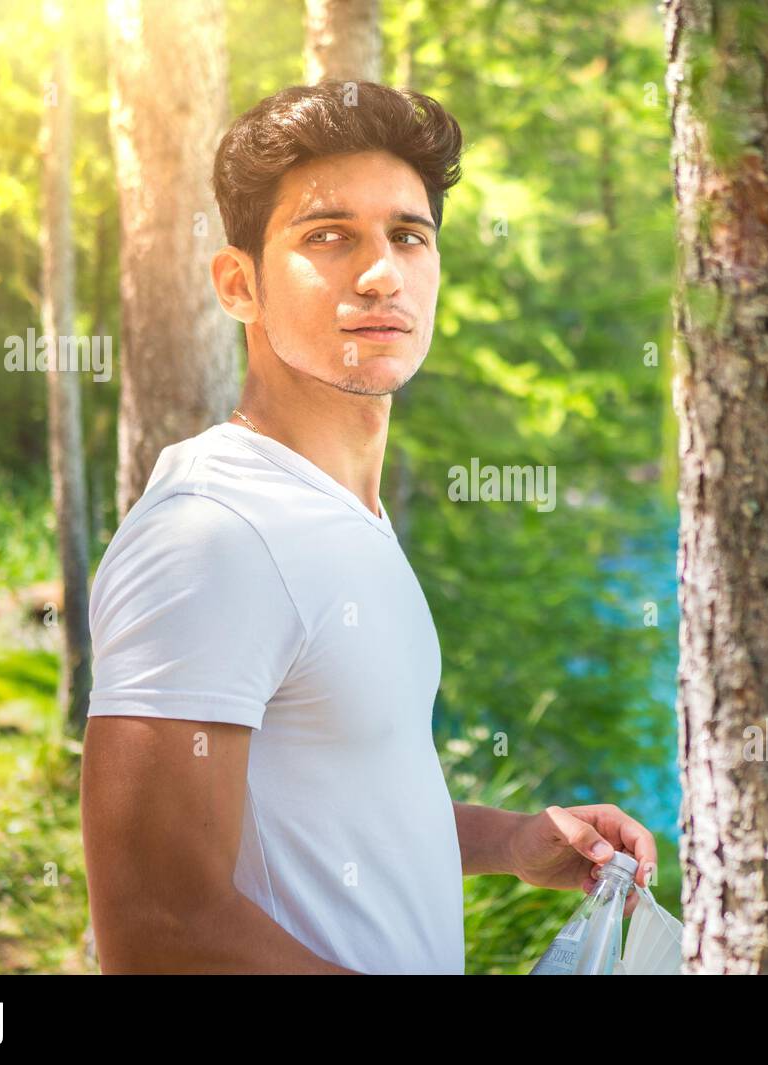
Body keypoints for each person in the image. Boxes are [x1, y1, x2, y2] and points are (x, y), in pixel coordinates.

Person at [79, 80, 657, 975]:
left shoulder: (343, 511)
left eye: (408, 236)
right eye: (327, 236)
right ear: (239, 283)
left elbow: (333, 807)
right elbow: (158, 928)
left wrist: (508, 840)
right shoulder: (212, 536)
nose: (382, 271)